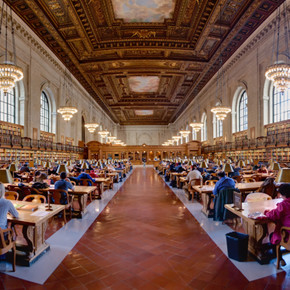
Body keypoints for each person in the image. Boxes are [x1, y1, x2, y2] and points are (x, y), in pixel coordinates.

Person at [264, 183, 290, 267]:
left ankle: (280, 259)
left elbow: (273, 215)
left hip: (288, 235)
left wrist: (266, 212)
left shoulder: (283, 205)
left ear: (283, 194)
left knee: (272, 236)